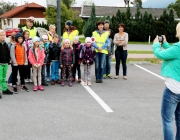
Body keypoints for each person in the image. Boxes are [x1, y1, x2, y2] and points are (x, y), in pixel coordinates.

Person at [152, 23, 180, 140]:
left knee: (167, 121)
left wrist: (156, 45)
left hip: (173, 89)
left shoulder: (178, 47)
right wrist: (166, 44)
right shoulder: (176, 49)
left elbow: (160, 54)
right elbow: (173, 54)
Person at [0, 30, 13, 98]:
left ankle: (4, 89)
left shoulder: (5, 44)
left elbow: (7, 53)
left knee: (3, 78)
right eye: (1, 35)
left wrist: (8, 60)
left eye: (3, 35)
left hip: (5, 63)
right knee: (0, 77)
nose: (3, 37)